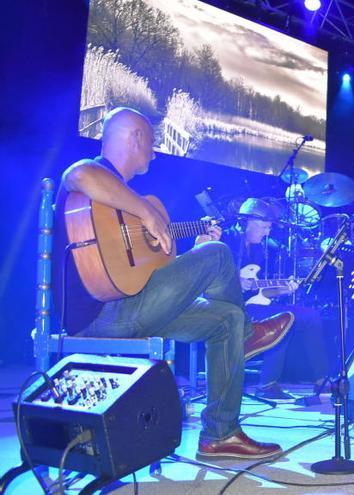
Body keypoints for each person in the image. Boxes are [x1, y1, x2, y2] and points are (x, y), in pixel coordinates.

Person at [52, 107, 294, 460]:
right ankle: (248, 336)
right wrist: (149, 213)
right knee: (218, 253)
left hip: (133, 303)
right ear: (135, 137)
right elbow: (78, 174)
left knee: (226, 318)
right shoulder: (96, 177)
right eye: (151, 141)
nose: (154, 150)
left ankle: (219, 434)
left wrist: (188, 257)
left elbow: (143, 275)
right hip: (103, 314)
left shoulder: (120, 198)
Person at [197, 197, 328, 400]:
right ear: (246, 222)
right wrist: (234, 281)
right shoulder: (224, 240)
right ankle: (267, 384)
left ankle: (321, 381)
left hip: (248, 306)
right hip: (223, 306)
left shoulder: (259, 250)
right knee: (285, 318)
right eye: (264, 227)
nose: (267, 233)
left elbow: (258, 293)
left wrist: (283, 290)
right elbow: (204, 276)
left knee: (310, 315)